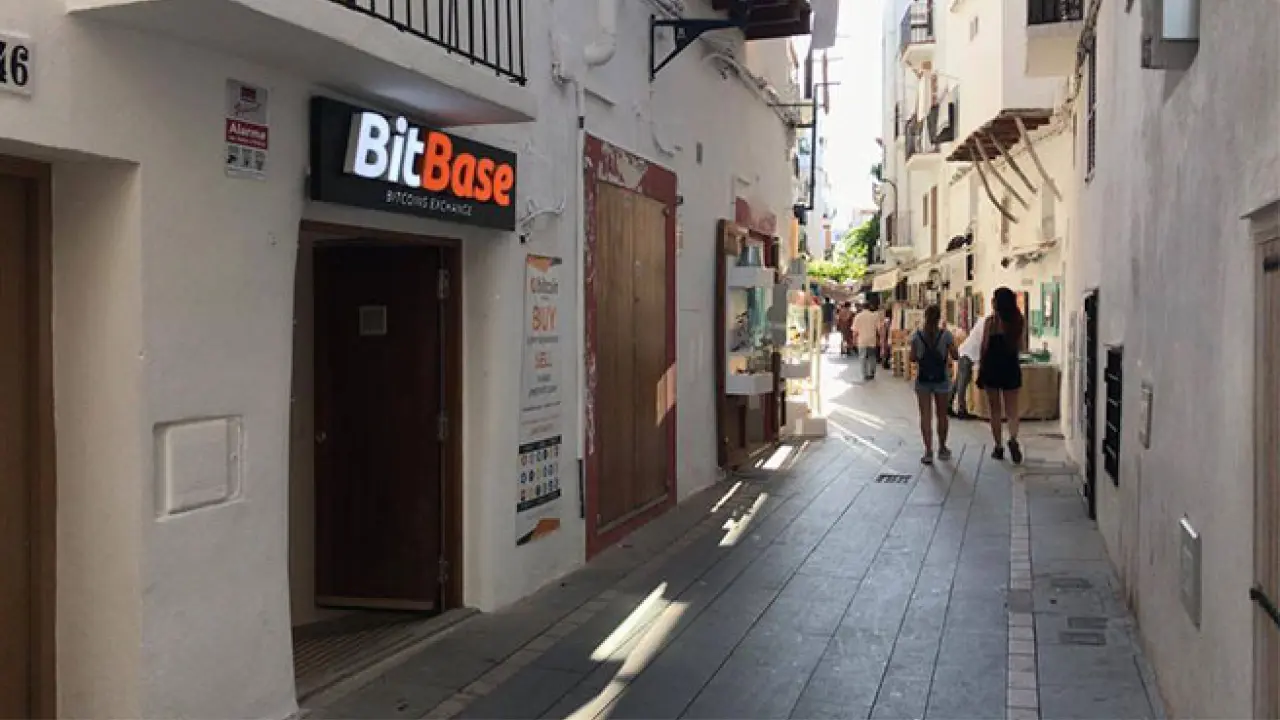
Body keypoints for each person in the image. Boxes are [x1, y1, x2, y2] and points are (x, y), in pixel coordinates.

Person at [977, 287, 1026, 463]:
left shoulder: (991, 322)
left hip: (992, 367)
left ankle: (998, 447)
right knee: (1012, 409)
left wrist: (981, 367)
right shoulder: (1018, 321)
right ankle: (1012, 439)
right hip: (1010, 365)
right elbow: (1021, 346)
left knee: (995, 410)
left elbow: (984, 346)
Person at [911, 304, 958, 464]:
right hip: (941, 379)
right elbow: (956, 355)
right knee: (942, 415)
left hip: (923, 380)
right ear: (939, 318)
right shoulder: (946, 335)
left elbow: (912, 358)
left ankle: (928, 451)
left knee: (925, 416)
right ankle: (942, 448)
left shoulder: (917, 335)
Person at [951, 317, 983, 419]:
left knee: (959, 381)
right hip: (967, 354)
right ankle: (961, 410)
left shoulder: (983, 322)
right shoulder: (987, 324)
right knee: (962, 382)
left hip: (966, 352)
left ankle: (948, 404)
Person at [851, 299, 883, 380]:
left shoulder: (858, 316)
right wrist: (880, 339)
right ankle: (872, 373)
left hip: (862, 340)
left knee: (862, 357)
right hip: (872, 339)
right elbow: (879, 329)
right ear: (870, 307)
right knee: (872, 356)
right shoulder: (874, 316)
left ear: (862, 307)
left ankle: (865, 374)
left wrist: (854, 340)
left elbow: (855, 331)